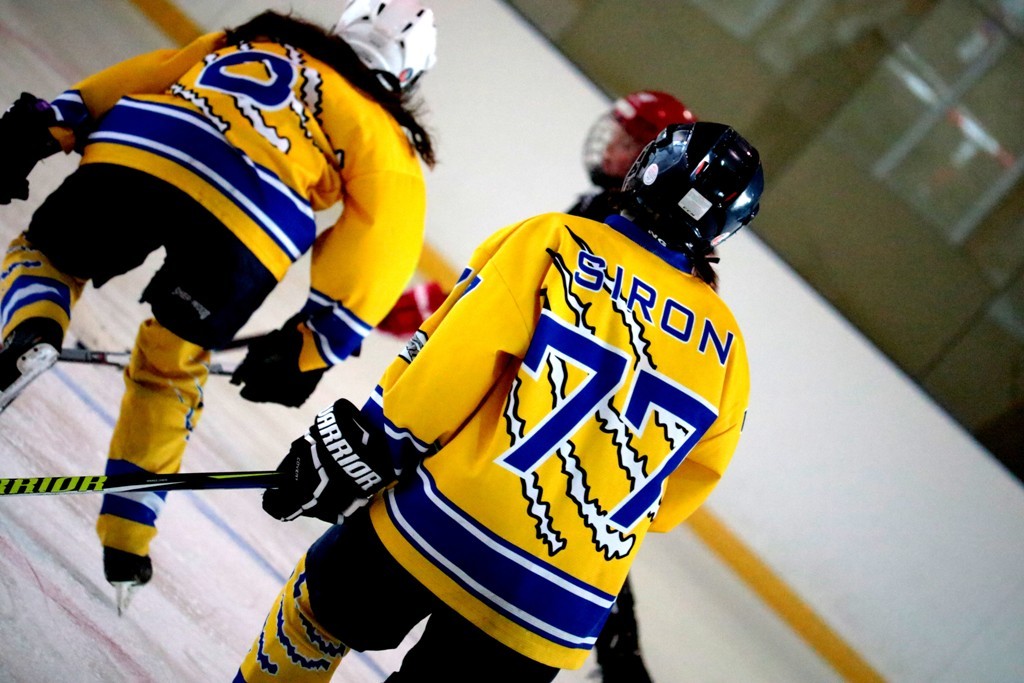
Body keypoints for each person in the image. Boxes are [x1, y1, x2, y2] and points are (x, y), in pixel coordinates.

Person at [235, 120, 764, 682]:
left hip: (441, 524)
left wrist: (372, 444)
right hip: (561, 606)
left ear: (648, 168)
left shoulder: (557, 241)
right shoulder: (729, 346)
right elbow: (680, 492)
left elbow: (448, 368)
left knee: (313, 620)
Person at [0, 0, 438, 612]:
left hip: (146, 149)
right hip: (248, 225)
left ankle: (33, 332)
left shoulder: (255, 43)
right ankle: (127, 542)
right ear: (407, 76)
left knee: (48, 256)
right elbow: (385, 240)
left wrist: (51, 124)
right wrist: (317, 342)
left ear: (343, 28)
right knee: (171, 366)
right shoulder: (384, 136)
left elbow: (144, 73)